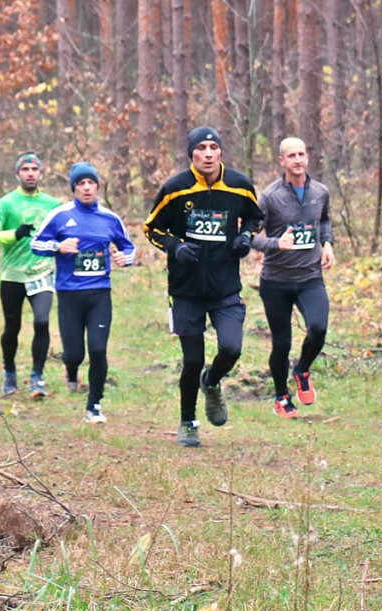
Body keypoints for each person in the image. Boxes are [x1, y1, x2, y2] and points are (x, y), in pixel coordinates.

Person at [142, 126, 264, 447]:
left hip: (225, 287)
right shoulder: (175, 189)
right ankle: (188, 422)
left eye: (213, 147)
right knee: (192, 359)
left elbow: (255, 217)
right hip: (186, 289)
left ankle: (211, 383)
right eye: (201, 148)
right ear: (191, 154)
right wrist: (175, 247)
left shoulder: (239, 185)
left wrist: (245, 237)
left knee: (231, 349)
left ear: (221, 152)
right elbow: (151, 228)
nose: (208, 153)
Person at [31, 162, 135, 424]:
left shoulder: (110, 218)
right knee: (75, 353)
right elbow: (36, 243)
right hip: (69, 294)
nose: (86, 188)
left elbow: (129, 247)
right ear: (74, 188)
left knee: (98, 350)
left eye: (91, 183)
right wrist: (58, 246)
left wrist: (125, 258)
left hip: (99, 293)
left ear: (98, 186)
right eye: (80, 184)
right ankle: (71, 368)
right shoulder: (60, 215)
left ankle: (95, 405)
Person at [251, 137, 335, 418]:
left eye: (302, 154)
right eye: (292, 155)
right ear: (282, 161)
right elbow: (248, 235)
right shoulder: (269, 196)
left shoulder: (320, 192)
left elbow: (323, 220)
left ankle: (302, 370)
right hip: (276, 281)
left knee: (319, 329)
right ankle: (281, 397)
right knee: (281, 343)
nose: (298, 160)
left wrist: (327, 243)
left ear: (307, 158)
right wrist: (275, 244)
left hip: (310, 276)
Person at [0, 152, 62, 397]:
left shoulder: (52, 204)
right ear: (17, 174)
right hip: (13, 276)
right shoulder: (7, 203)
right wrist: (14, 234)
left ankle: (37, 376)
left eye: (34, 169)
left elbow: (64, 235)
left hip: (42, 273)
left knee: (42, 321)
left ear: (41, 173)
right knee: (11, 327)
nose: (30, 173)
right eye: (25, 169)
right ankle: (10, 372)